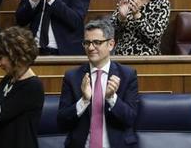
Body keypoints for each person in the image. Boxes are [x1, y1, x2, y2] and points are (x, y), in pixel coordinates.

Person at [57, 19, 139, 148]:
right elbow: (62, 122)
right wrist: (84, 101)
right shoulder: (72, 77)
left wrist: (112, 98)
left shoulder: (127, 75)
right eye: (87, 43)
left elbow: (130, 119)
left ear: (111, 44)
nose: (90, 48)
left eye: (97, 42)